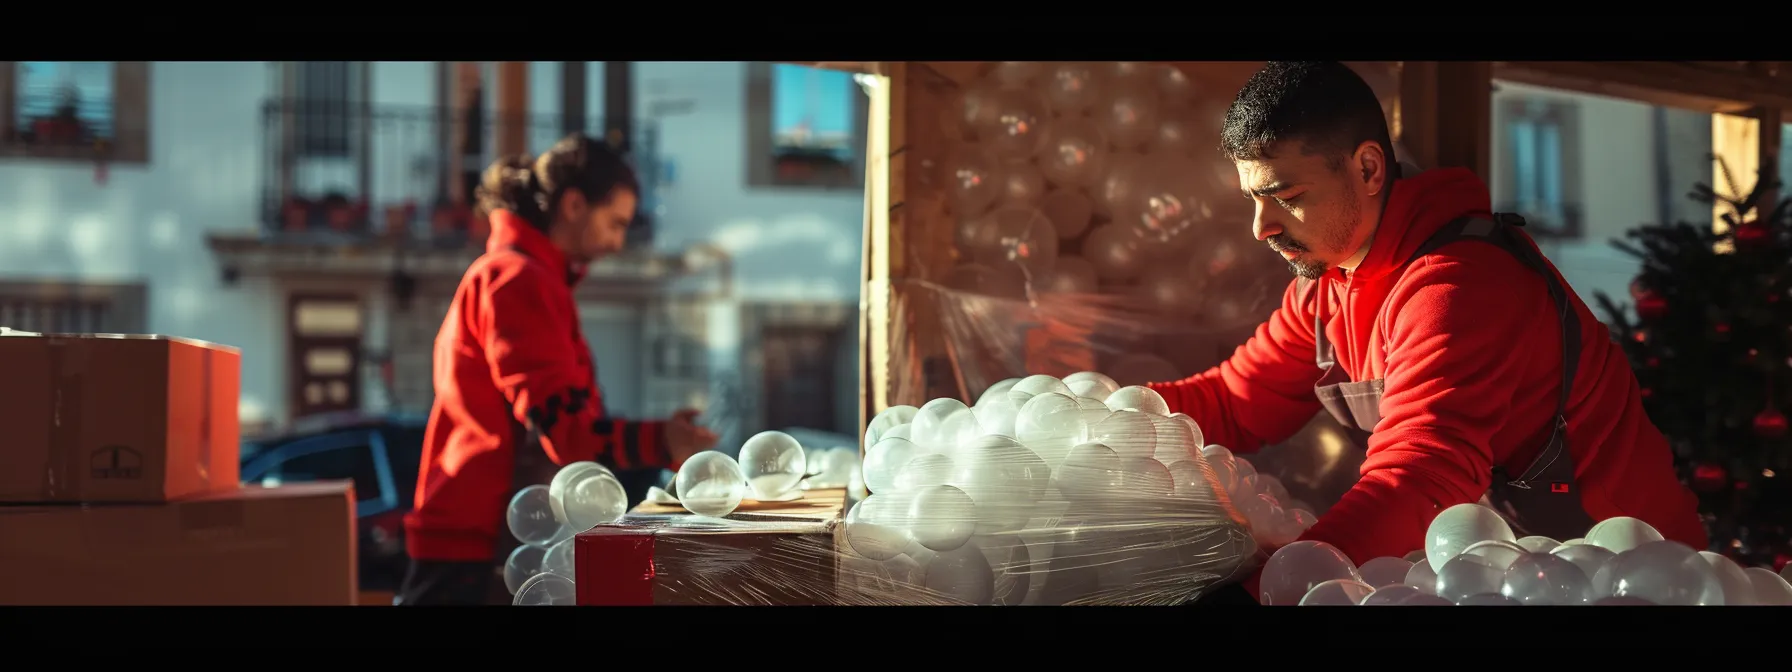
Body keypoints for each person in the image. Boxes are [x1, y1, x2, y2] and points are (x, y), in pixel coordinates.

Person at [1148, 62, 1706, 596]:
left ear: (1368, 169)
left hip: (1628, 578)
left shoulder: (1459, 286)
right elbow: (1234, 400)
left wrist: (1267, 592)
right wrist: (1094, 413)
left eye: (1287, 198)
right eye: (1253, 199)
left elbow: (1419, 476)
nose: (1260, 227)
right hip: (1513, 572)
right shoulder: (1328, 289)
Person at [398, 133, 719, 606]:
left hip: (487, 535)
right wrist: (660, 442)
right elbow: (568, 433)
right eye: (614, 223)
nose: (616, 242)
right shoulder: (517, 279)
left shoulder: (525, 277)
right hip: (483, 544)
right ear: (573, 204)